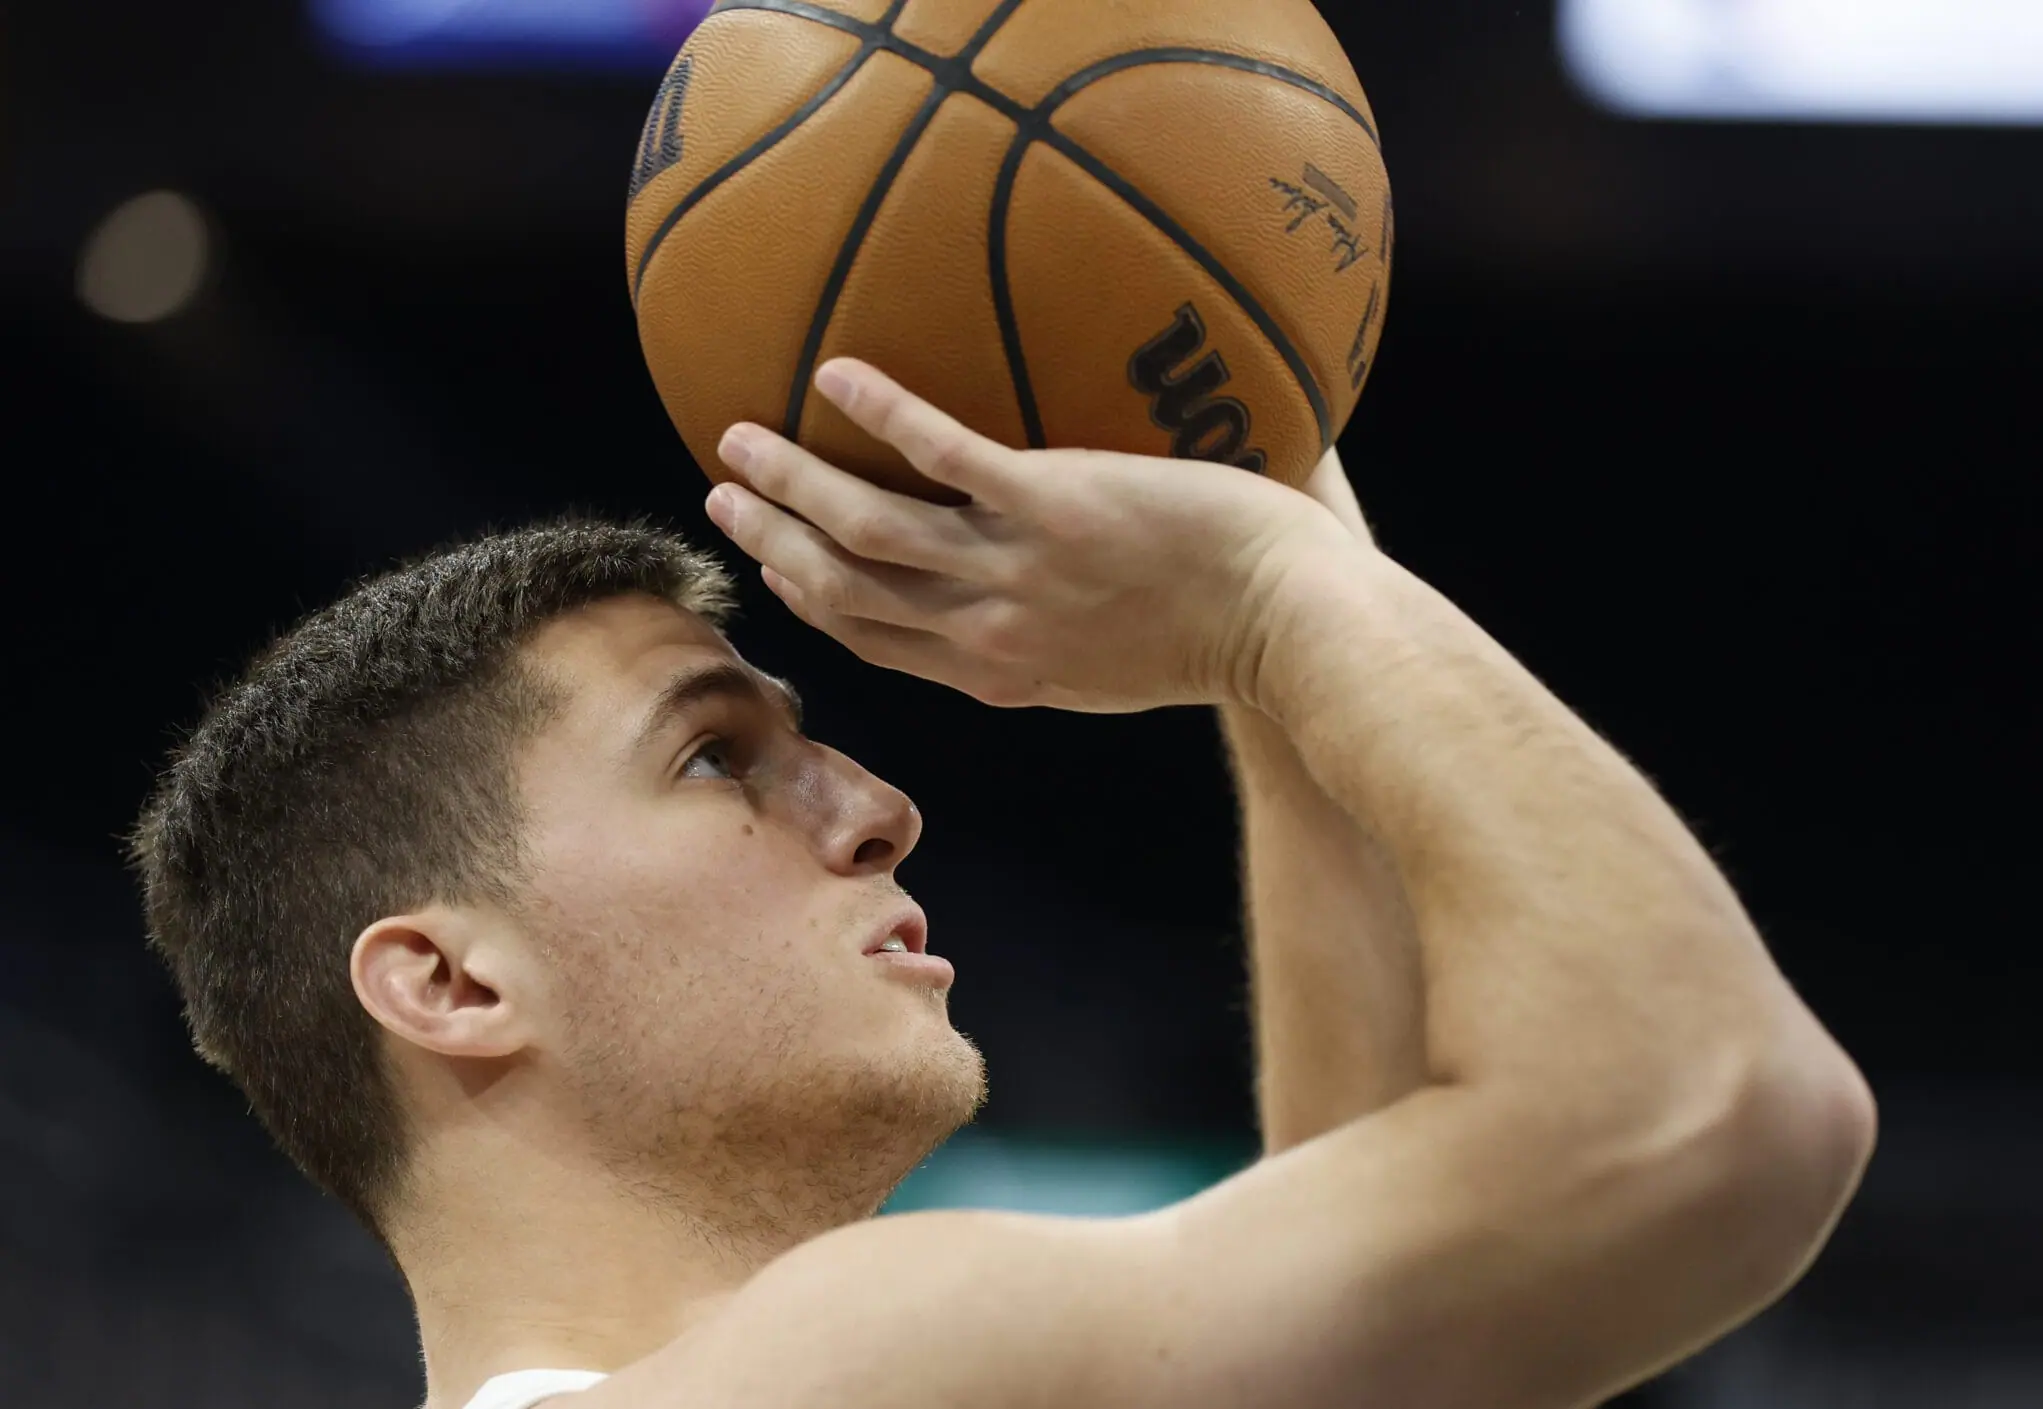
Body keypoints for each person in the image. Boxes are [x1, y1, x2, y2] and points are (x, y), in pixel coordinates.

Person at [133, 358, 1875, 1409]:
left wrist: (1269, 615)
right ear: (450, 982)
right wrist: (1269, 588)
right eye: (714, 758)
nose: (881, 809)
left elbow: (1398, 1287)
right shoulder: (870, 1356)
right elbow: (1723, 1114)